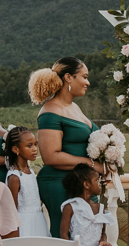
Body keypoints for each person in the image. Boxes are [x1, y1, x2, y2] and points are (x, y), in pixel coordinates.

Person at [33, 58, 106, 231]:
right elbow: (51, 156)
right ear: (68, 77)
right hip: (61, 183)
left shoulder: (74, 107)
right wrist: (92, 165)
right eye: (84, 76)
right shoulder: (50, 112)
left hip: (83, 182)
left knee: (89, 236)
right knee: (67, 237)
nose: (87, 82)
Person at [4, 127, 50, 239]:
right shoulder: (14, 177)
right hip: (24, 224)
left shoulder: (30, 171)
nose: (35, 149)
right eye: (29, 146)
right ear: (15, 149)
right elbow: (12, 210)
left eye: (35, 144)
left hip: (38, 219)